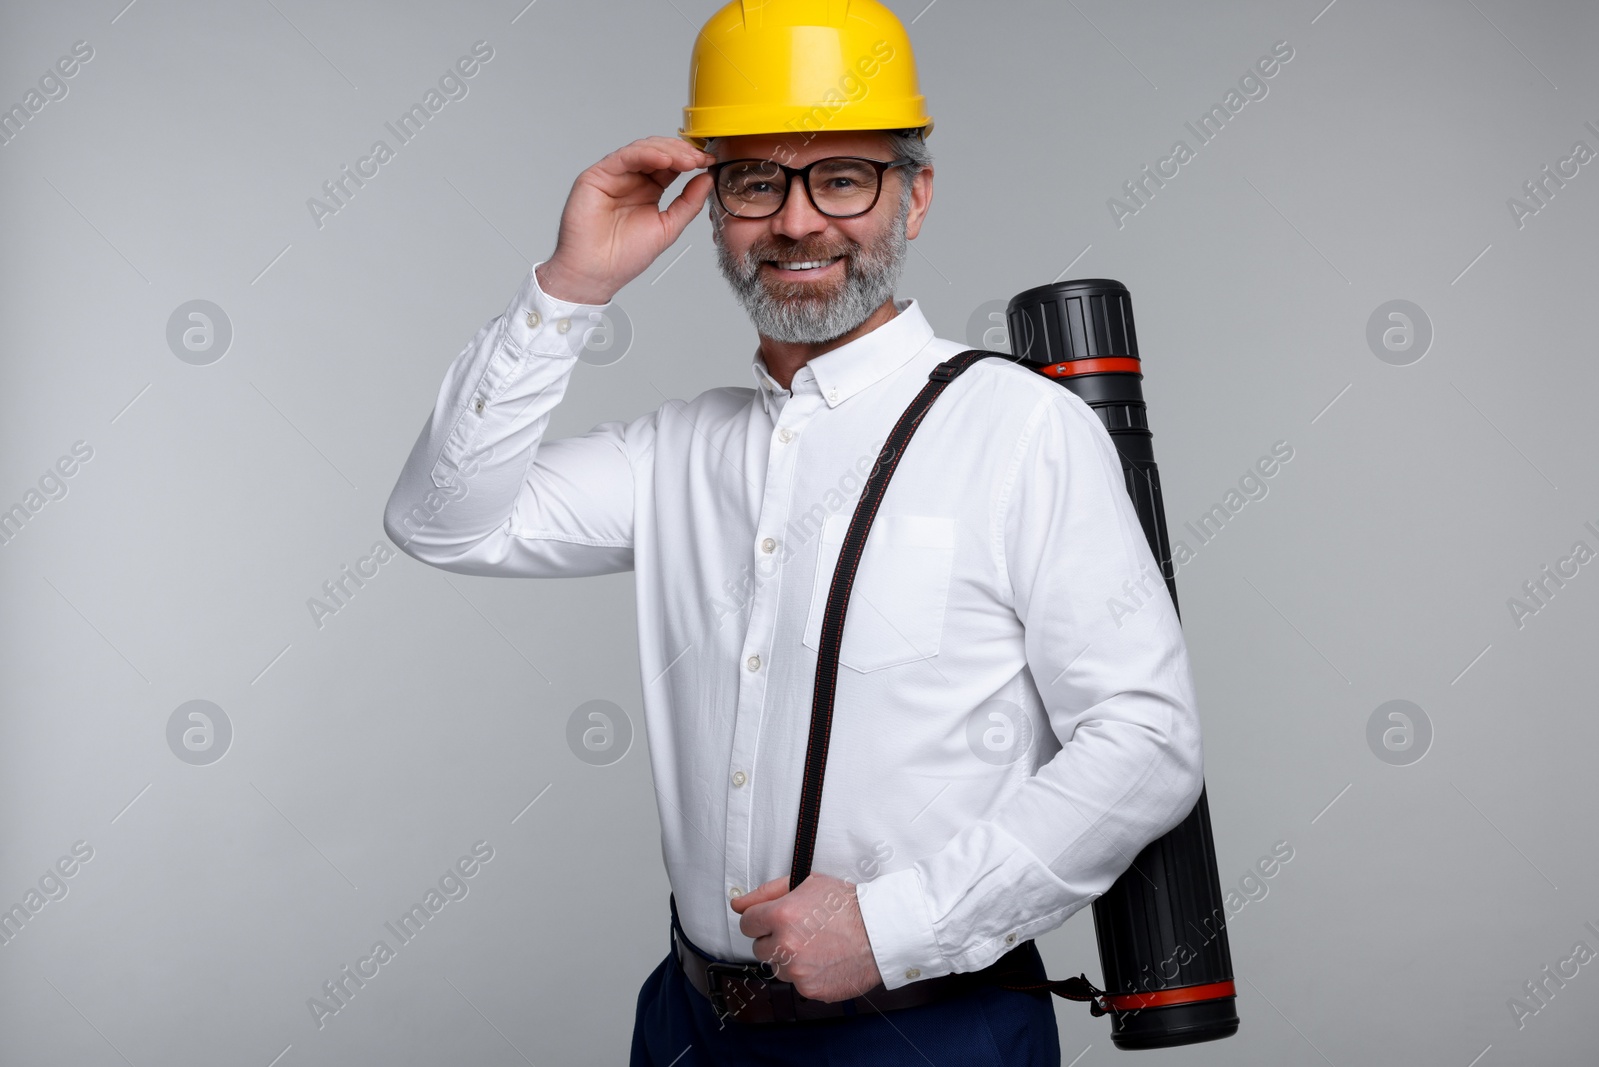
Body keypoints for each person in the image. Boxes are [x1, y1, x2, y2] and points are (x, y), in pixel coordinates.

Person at [383, 1, 1204, 1063]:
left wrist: (892, 924)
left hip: (923, 1030)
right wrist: (572, 285)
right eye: (758, 180)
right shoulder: (674, 452)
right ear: (713, 205)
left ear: (915, 196)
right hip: (687, 1024)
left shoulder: (1019, 428)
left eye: (845, 177)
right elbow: (441, 521)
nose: (800, 222)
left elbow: (1145, 741)